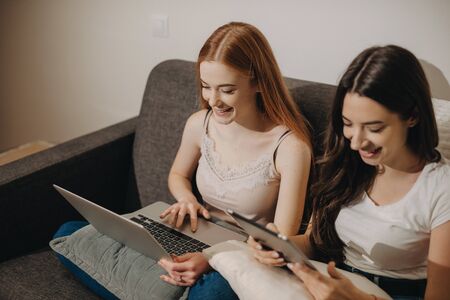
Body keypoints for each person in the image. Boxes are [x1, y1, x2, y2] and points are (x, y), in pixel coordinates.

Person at [249, 45, 450, 300]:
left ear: (412, 116)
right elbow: (315, 242)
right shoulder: (347, 162)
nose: (356, 143)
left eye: (374, 128)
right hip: (332, 284)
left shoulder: (440, 188)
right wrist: (279, 247)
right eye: (348, 124)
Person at [157, 21, 312, 299]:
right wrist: (186, 198)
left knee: (209, 294)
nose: (214, 100)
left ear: (258, 83)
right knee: (72, 232)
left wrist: (210, 257)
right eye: (206, 86)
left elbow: (280, 242)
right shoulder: (199, 124)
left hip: (246, 253)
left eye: (227, 90)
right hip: (195, 234)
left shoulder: (290, 147)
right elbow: (177, 175)